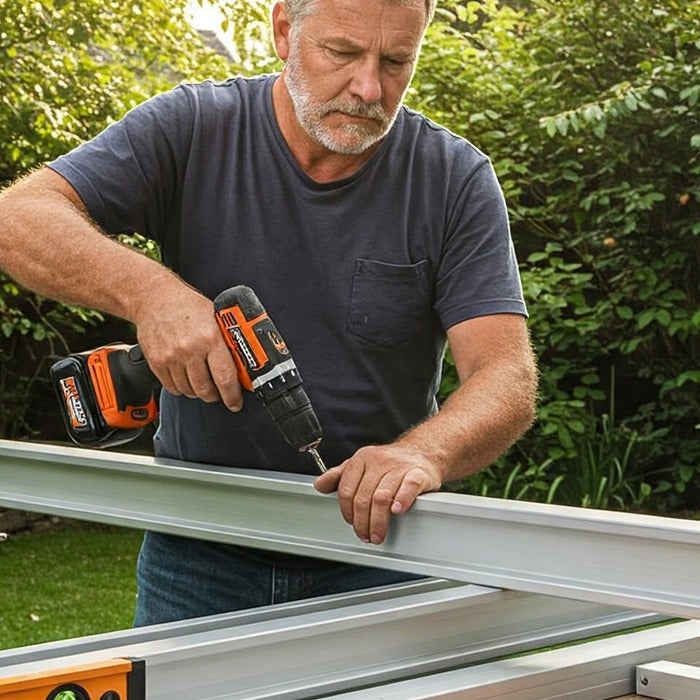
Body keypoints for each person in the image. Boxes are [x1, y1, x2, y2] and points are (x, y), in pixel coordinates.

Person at [0, 0, 538, 624]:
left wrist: (424, 455)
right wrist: (152, 295)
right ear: (284, 30)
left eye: (396, 62)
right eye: (342, 53)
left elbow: (507, 378)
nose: (368, 88)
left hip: (380, 549)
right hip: (198, 556)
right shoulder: (195, 126)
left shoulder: (453, 179)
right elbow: (17, 219)